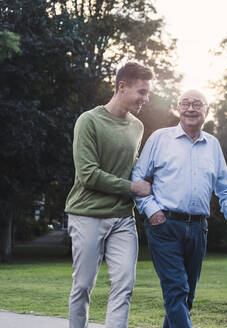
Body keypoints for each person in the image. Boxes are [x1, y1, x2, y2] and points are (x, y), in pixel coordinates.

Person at [132, 89, 227, 328]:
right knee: (177, 290)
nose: (190, 108)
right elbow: (138, 179)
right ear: (178, 108)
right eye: (185, 103)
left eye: (197, 104)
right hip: (165, 226)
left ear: (207, 111)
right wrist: (152, 211)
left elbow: (225, 187)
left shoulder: (212, 145)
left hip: (197, 229)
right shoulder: (160, 139)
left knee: (185, 297)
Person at [65, 62, 154, 328]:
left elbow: (134, 170)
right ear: (122, 87)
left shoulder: (137, 127)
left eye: (147, 93)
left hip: (123, 218)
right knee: (83, 286)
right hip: (87, 215)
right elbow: (88, 174)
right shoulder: (89, 121)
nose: (145, 99)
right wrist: (131, 187)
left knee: (124, 284)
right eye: (141, 92)